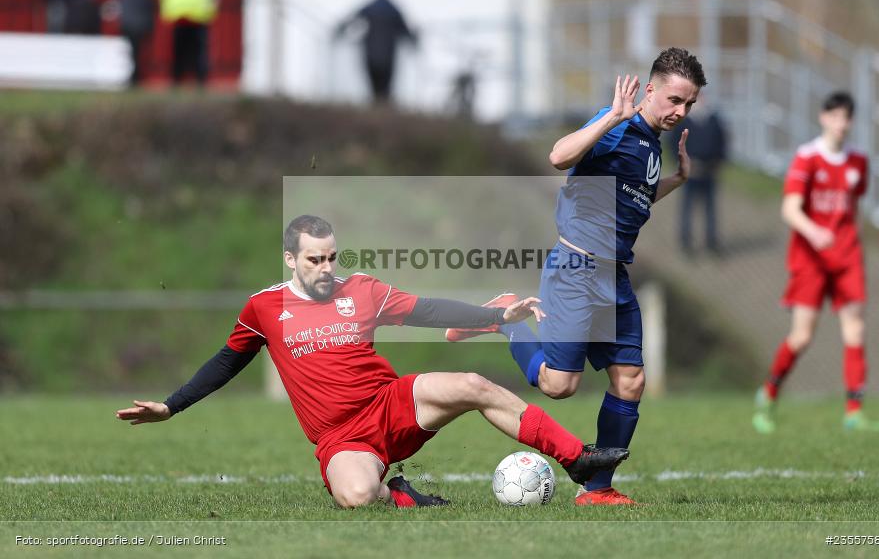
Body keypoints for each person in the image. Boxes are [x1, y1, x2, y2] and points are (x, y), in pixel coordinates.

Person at [116, 215, 629, 508]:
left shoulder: (362, 290)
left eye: (331, 256)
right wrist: (171, 406)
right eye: (314, 259)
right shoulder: (263, 306)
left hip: (393, 403)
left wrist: (495, 314)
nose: (325, 267)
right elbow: (225, 363)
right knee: (358, 497)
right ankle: (401, 495)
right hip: (342, 437)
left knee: (474, 383)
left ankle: (577, 460)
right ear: (290, 259)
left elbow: (428, 310)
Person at [447, 48, 706, 505]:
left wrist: (678, 180)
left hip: (614, 277)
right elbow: (558, 155)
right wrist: (611, 118)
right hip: (576, 270)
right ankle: (506, 320)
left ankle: (597, 489)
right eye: (674, 100)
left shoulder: (651, 139)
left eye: (688, 105)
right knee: (558, 386)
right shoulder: (619, 122)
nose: (680, 112)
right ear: (650, 90)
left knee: (630, 380)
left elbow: (633, 199)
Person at [752, 92, 879, 434]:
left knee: (855, 330)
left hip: (847, 257)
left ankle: (854, 411)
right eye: (836, 116)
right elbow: (790, 209)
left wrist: (844, 240)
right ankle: (769, 393)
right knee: (802, 336)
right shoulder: (807, 157)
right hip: (811, 259)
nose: (842, 124)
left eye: (847, 118)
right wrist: (815, 232)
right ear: (824, 118)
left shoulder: (858, 162)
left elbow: (852, 207)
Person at [668, 94, 728, 254]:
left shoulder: (714, 119)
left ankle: (712, 242)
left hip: (709, 171)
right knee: (687, 208)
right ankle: (686, 243)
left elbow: (722, 141)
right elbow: (673, 143)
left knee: (710, 209)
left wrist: (719, 161)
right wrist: (682, 163)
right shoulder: (683, 120)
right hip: (690, 172)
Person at [334, 0, 417, 104]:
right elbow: (405, 30)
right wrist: (413, 41)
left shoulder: (370, 8)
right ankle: (382, 107)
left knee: (374, 84)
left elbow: (353, 18)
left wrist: (339, 30)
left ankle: (376, 106)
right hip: (388, 55)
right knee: (385, 85)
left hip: (370, 53)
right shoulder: (393, 10)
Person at [157, 0, 219, 86]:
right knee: (179, 46)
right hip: (179, 8)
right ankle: (178, 78)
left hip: (198, 8)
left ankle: (200, 79)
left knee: (199, 47)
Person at [119, 0, 155, 87]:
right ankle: (136, 77)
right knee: (138, 51)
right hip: (139, 16)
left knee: (134, 50)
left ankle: (135, 77)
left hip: (130, 17)